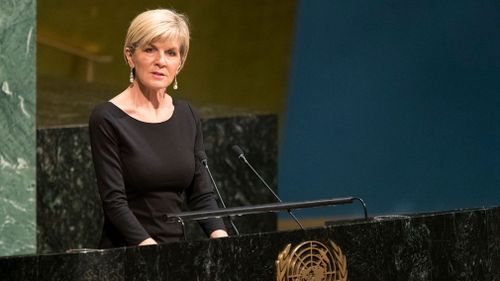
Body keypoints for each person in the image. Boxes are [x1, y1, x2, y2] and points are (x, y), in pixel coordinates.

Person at [88, 9, 228, 248]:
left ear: (180, 64)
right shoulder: (107, 118)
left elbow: (201, 194)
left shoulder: (187, 115)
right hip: (128, 255)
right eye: (150, 49)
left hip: (175, 254)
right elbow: (114, 203)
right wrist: (154, 252)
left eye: (171, 53)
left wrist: (223, 241)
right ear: (130, 56)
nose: (160, 61)